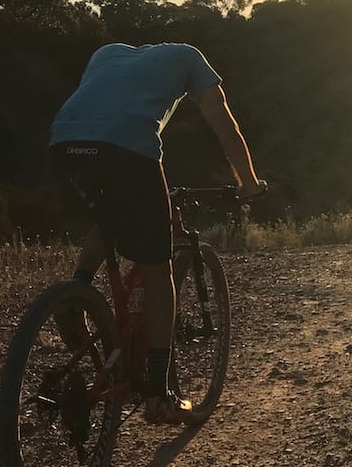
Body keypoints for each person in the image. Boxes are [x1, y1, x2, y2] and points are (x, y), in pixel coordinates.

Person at [49, 42, 266, 424]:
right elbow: (224, 123)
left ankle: (76, 290)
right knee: (158, 273)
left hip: (64, 144)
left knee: (109, 217)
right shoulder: (189, 57)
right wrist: (248, 182)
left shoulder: (105, 52)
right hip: (129, 152)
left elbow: (96, 104)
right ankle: (159, 396)